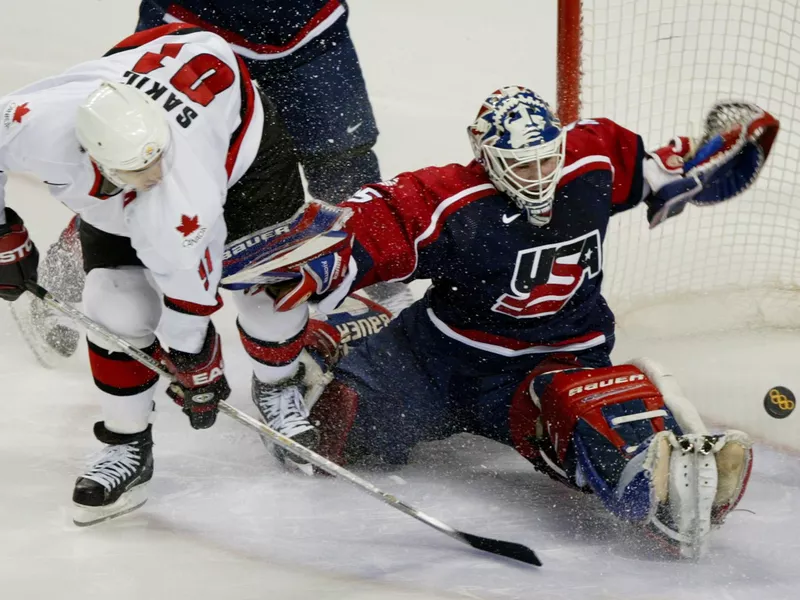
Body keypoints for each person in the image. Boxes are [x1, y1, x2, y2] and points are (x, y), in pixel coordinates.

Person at [236, 87, 778, 556]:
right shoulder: (448, 197)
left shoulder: (592, 161)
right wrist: (310, 254)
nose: (539, 176)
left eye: (547, 159)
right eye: (521, 165)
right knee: (336, 430)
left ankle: (651, 458)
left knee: (581, 419)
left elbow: (661, 172)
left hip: (558, 355)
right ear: (485, 156)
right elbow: (370, 224)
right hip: (436, 359)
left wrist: (705, 163)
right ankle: (349, 327)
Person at [0, 23, 337, 526]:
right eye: (139, 171)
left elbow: (190, 304)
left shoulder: (181, 191)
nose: (153, 177)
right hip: (138, 97)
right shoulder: (34, 122)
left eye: (155, 162)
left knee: (268, 291)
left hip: (242, 151)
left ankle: (277, 383)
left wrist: (195, 361)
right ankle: (126, 442)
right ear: (90, 149)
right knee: (114, 305)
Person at [12, 0, 409, 364]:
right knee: (135, 167)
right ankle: (73, 265)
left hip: (310, 28)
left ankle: (361, 279)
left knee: (342, 160)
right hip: (187, 35)